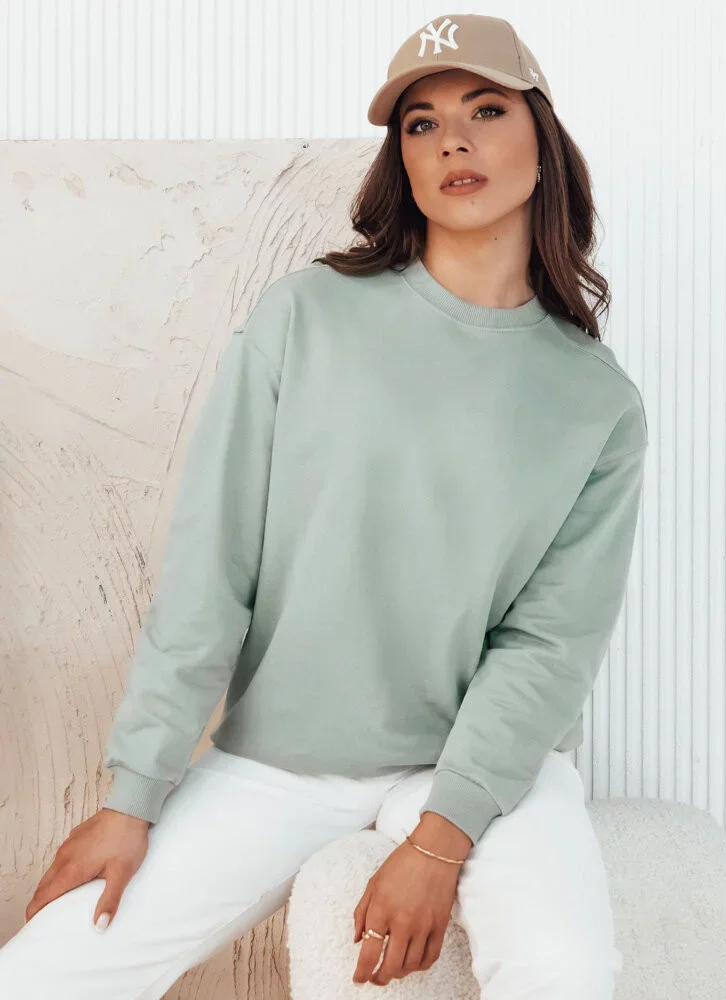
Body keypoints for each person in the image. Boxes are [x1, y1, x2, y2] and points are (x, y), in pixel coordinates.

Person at [0, 13, 647, 999]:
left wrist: (441, 837)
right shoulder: (307, 317)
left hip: (475, 768)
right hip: (283, 762)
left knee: (565, 968)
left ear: (542, 139)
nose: (454, 141)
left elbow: (549, 645)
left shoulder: (596, 401)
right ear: (403, 160)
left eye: (486, 110)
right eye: (421, 124)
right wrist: (134, 795)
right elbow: (211, 566)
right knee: (48, 971)